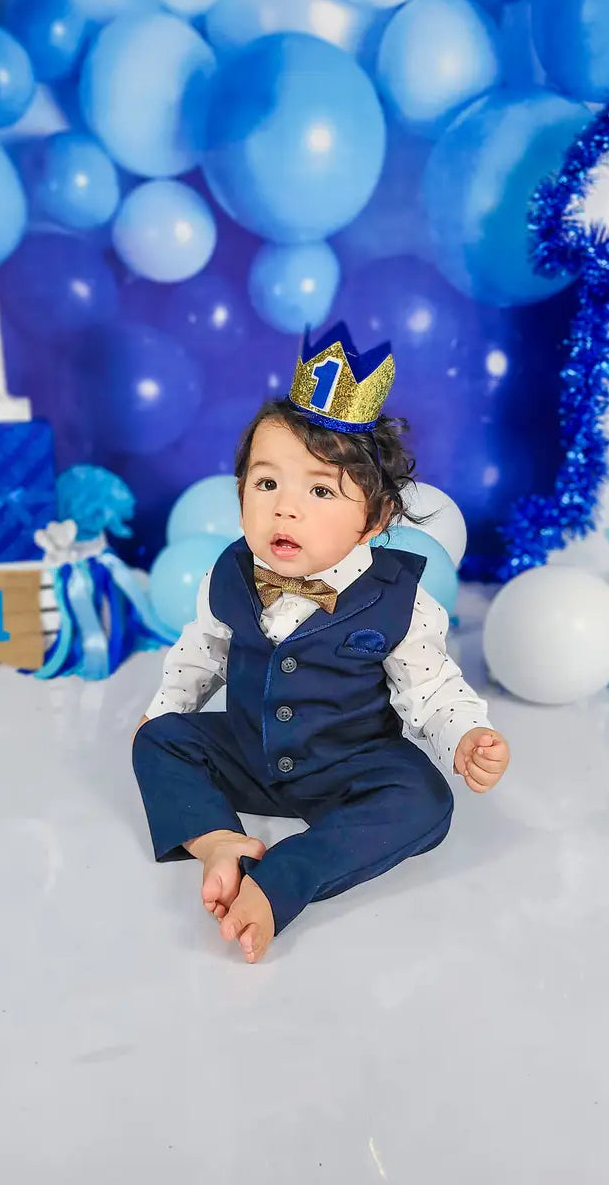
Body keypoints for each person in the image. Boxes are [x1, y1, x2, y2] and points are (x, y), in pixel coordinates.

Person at [132, 322, 509, 964]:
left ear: (374, 520)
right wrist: (170, 705)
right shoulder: (227, 572)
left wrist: (466, 735)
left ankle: (286, 877)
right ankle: (219, 840)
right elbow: (204, 652)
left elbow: (431, 685)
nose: (286, 509)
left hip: (350, 763)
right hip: (251, 753)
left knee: (424, 802)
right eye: (267, 483)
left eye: (320, 490)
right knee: (158, 737)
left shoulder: (400, 598)